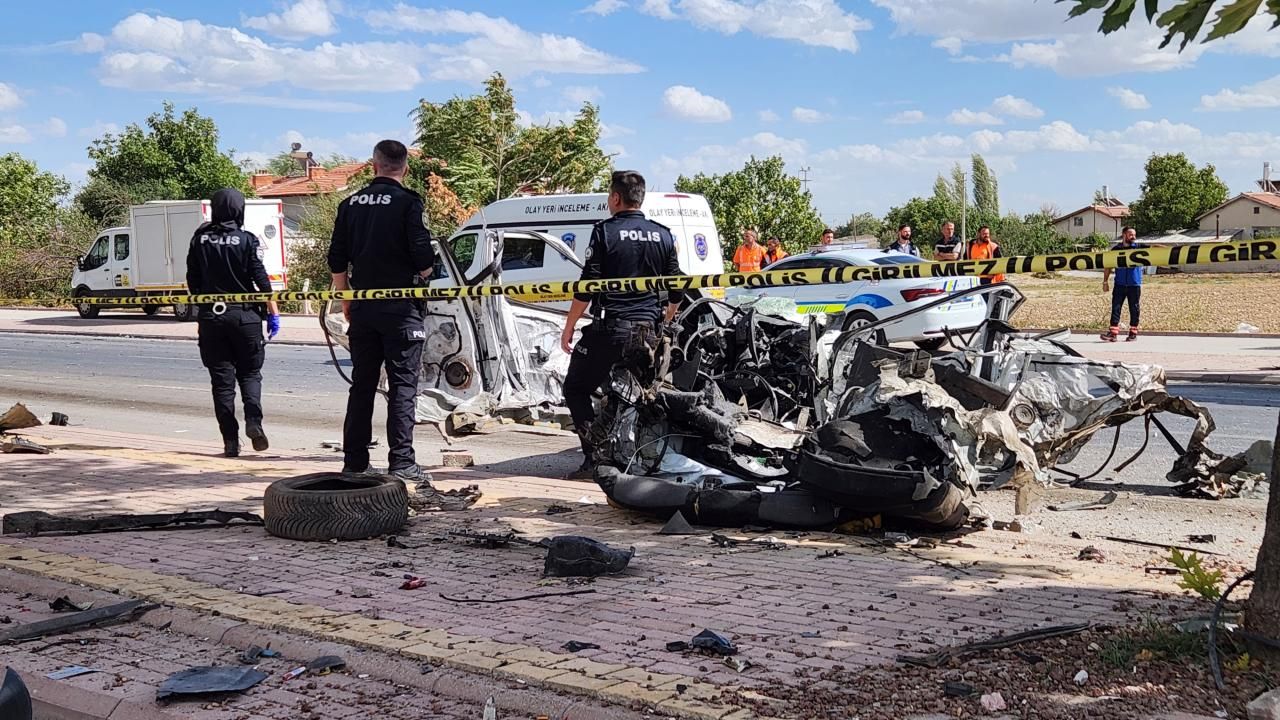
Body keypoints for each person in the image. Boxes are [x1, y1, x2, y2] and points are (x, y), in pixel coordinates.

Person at [560, 170, 684, 479]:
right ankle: (638, 459)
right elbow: (677, 288)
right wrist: (665, 321)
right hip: (647, 332)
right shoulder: (663, 234)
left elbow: (588, 286)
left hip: (610, 331)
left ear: (616, 198)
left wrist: (570, 325)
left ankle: (595, 459)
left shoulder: (605, 232)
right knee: (638, 395)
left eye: (608, 196)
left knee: (576, 388)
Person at [328, 140, 436, 483]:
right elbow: (423, 257)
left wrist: (346, 297)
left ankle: (355, 462)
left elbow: (336, 258)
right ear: (405, 168)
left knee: (362, 385)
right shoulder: (409, 202)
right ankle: (402, 463)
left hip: (363, 307)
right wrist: (425, 273)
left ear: (373, 166)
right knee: (402, 386)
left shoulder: (350, 204)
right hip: (401, 309)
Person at [186, 188, 281, 458]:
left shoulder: (199, 240)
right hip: (245, 318)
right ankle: (254, 422)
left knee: (222, 383)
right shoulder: (247, 239)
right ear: (240, 210)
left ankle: (230, 441)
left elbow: (193, 280)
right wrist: (273, 313)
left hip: (212, 318)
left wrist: (205, 306)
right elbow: (261, 281)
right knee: (250, 374)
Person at [1101, 226, 1146, 342]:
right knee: (1116, 308)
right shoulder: (1116, 249)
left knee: (1134, 308)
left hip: (1134, 284)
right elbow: (1108, 265)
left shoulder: (1139, 248)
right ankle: (1113, 333)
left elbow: (1155, 249)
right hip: (1119, 284)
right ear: (1124, 235)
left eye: (1134, 235)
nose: (1133, 237)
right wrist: (1105, 281)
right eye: (1131, 235)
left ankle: (1133, 333)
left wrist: (1172, 250)